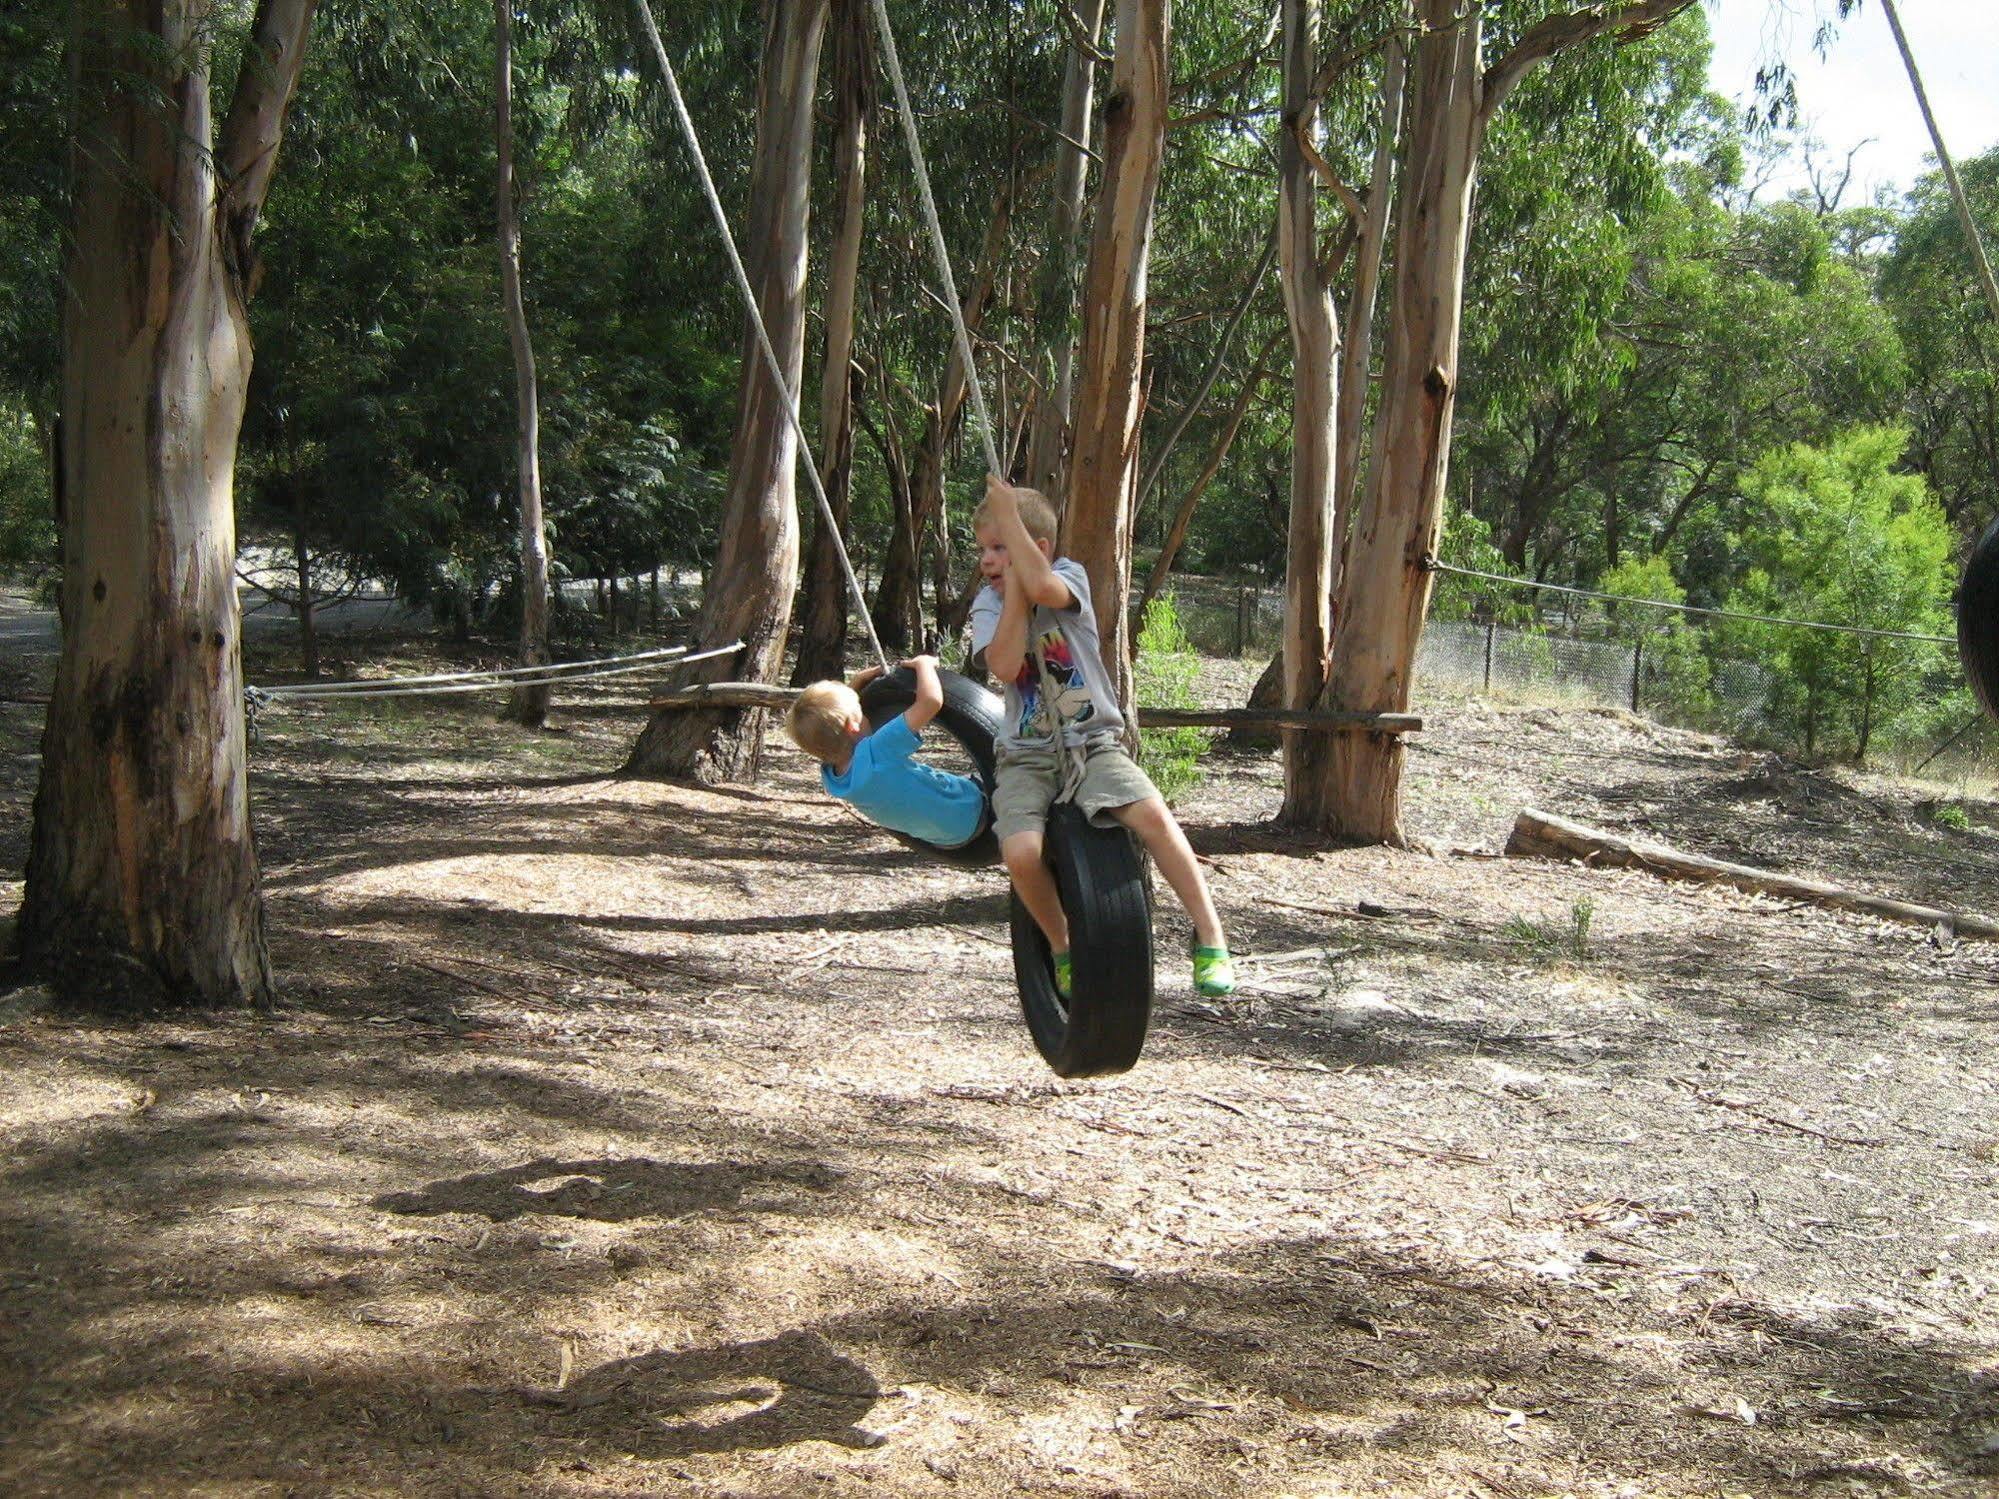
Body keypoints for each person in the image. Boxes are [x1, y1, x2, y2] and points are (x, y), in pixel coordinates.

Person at [967, 476, 1235, 999]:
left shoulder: (1070, 575)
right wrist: (1013, 590)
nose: (988, 561)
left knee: (1153, 815)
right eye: (983, 550)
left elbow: (1046, 587)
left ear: (1036, 548)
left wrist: (1027, 575)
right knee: (1020, 853)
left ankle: (1209, 931)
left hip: (1092, 743)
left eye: (1000, 548)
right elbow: (1002, 665)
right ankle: (1062, 945)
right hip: (1025, 758)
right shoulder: (989, 604)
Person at [785, 655, 989, 851]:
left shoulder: (833, 778)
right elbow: (930, 702)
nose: (866, 714)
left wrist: (857, 682)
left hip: (944, 841)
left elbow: (832, 727)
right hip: (974, 809)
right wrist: (924, 665)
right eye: (860, 710)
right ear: (853, 725)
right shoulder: (877, 750)